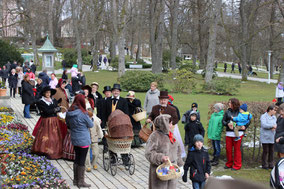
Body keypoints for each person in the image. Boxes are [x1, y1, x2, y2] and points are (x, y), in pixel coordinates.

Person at [145, 114, 184, 189]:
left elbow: (178, 151)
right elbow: (148, 153)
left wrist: (180, 165)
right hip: (160, 170)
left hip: (172, 170)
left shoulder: (171, 135)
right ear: (164, 124)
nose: (171, 125)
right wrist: (161, 157)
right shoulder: (155, 136)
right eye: (170, 123)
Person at [66, 94, 93, 187]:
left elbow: (68, 124)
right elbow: (91, 125)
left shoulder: (69, 112)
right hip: (83, 139)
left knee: (77, 158)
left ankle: (75, 180)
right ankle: (81, 181)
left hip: (74, 138)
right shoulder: (83, 113)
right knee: (82, 160)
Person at [32, 86, 63, 159]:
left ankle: (54, 150)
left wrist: (57, 109)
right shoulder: (41, 102)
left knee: (54, 136)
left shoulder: (53, 100)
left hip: (54, 121)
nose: (48, 94)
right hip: (46, 121)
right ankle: (43, 150)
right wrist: (55, 109)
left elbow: (58, 110)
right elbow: (46, 112)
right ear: (44, 93)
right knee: (45, 136)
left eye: (49, 92)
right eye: (46, 92)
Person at [222, 98, 250, 170]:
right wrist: (227, 124)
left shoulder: (240, 111)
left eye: (230, 102)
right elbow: (223, 121)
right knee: (228, 149)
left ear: (234, 104)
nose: (228, 104)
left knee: (237, 150)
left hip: (238, 133)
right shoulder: (227, 111)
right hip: (229, 133)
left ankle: (237, 165)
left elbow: (248, 120)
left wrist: (245, 126)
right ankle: (229, 164)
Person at [168, 95, 186, 159]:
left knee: (174, 138)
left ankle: (176, 152)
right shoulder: (173, 107)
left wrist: (172, 123)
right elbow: (178, 117)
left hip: (173, 126)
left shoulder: (174, 108)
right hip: (172, 125)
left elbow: (178, 117)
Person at [260, 104, 277, 169]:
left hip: (272, 136)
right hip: (265, 136)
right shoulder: (263, 116)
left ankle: (271, 164)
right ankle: (264, 164)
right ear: (270, 110)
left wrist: (274, 126)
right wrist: (272, 126)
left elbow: (276, 124)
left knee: (271, 151)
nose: (275, 111)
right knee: (265, 151)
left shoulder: (274, 117)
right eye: (274, 110)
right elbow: (264, 125)